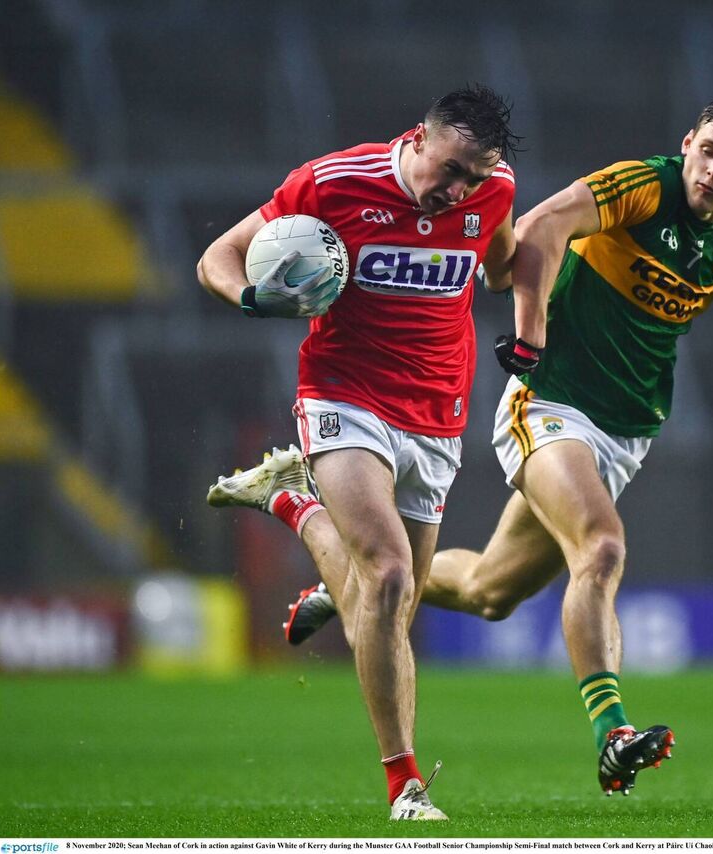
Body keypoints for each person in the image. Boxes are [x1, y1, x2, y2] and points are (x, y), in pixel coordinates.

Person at [284, 95, 713, 797]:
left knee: (491, 590)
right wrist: (531, 333)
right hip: (548, 402)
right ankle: (612, 733)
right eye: (706, 151)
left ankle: (341, 580)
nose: (712, 171)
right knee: (602, 547)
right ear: (688, 143)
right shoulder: (643, 185)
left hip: (623, 434)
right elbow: (542, 226)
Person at [196, 85, 520, 821]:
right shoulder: (332, 183)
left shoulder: (494, 191)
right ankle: (404, 787)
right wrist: (251, 300)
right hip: (344, 396)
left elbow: (500, 263)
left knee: (386, 606)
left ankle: (292, 502)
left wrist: (532, 282)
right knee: (390, 574)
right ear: (418, 139)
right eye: (450, 170)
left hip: (439, 411)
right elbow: (219, 257)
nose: (459, 189)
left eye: (474, 176)